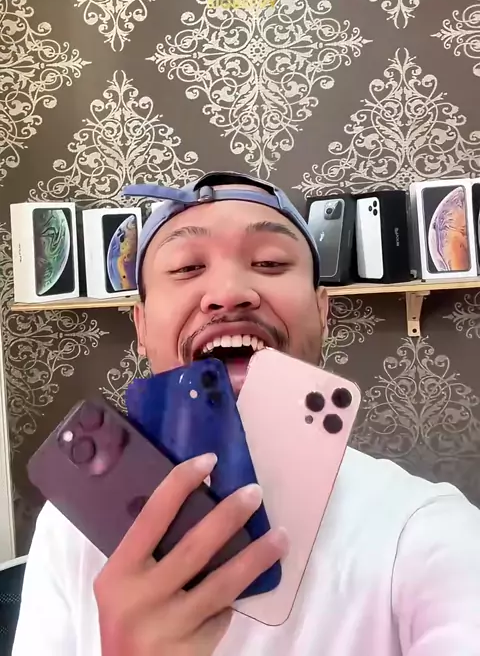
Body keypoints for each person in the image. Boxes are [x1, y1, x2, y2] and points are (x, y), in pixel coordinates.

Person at [13, 171, 480, 656]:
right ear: (142, 325)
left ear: (323, 312)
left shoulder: (422, 527)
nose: (230, 291)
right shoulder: (69, 529)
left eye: (269, 262)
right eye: (187, 267)